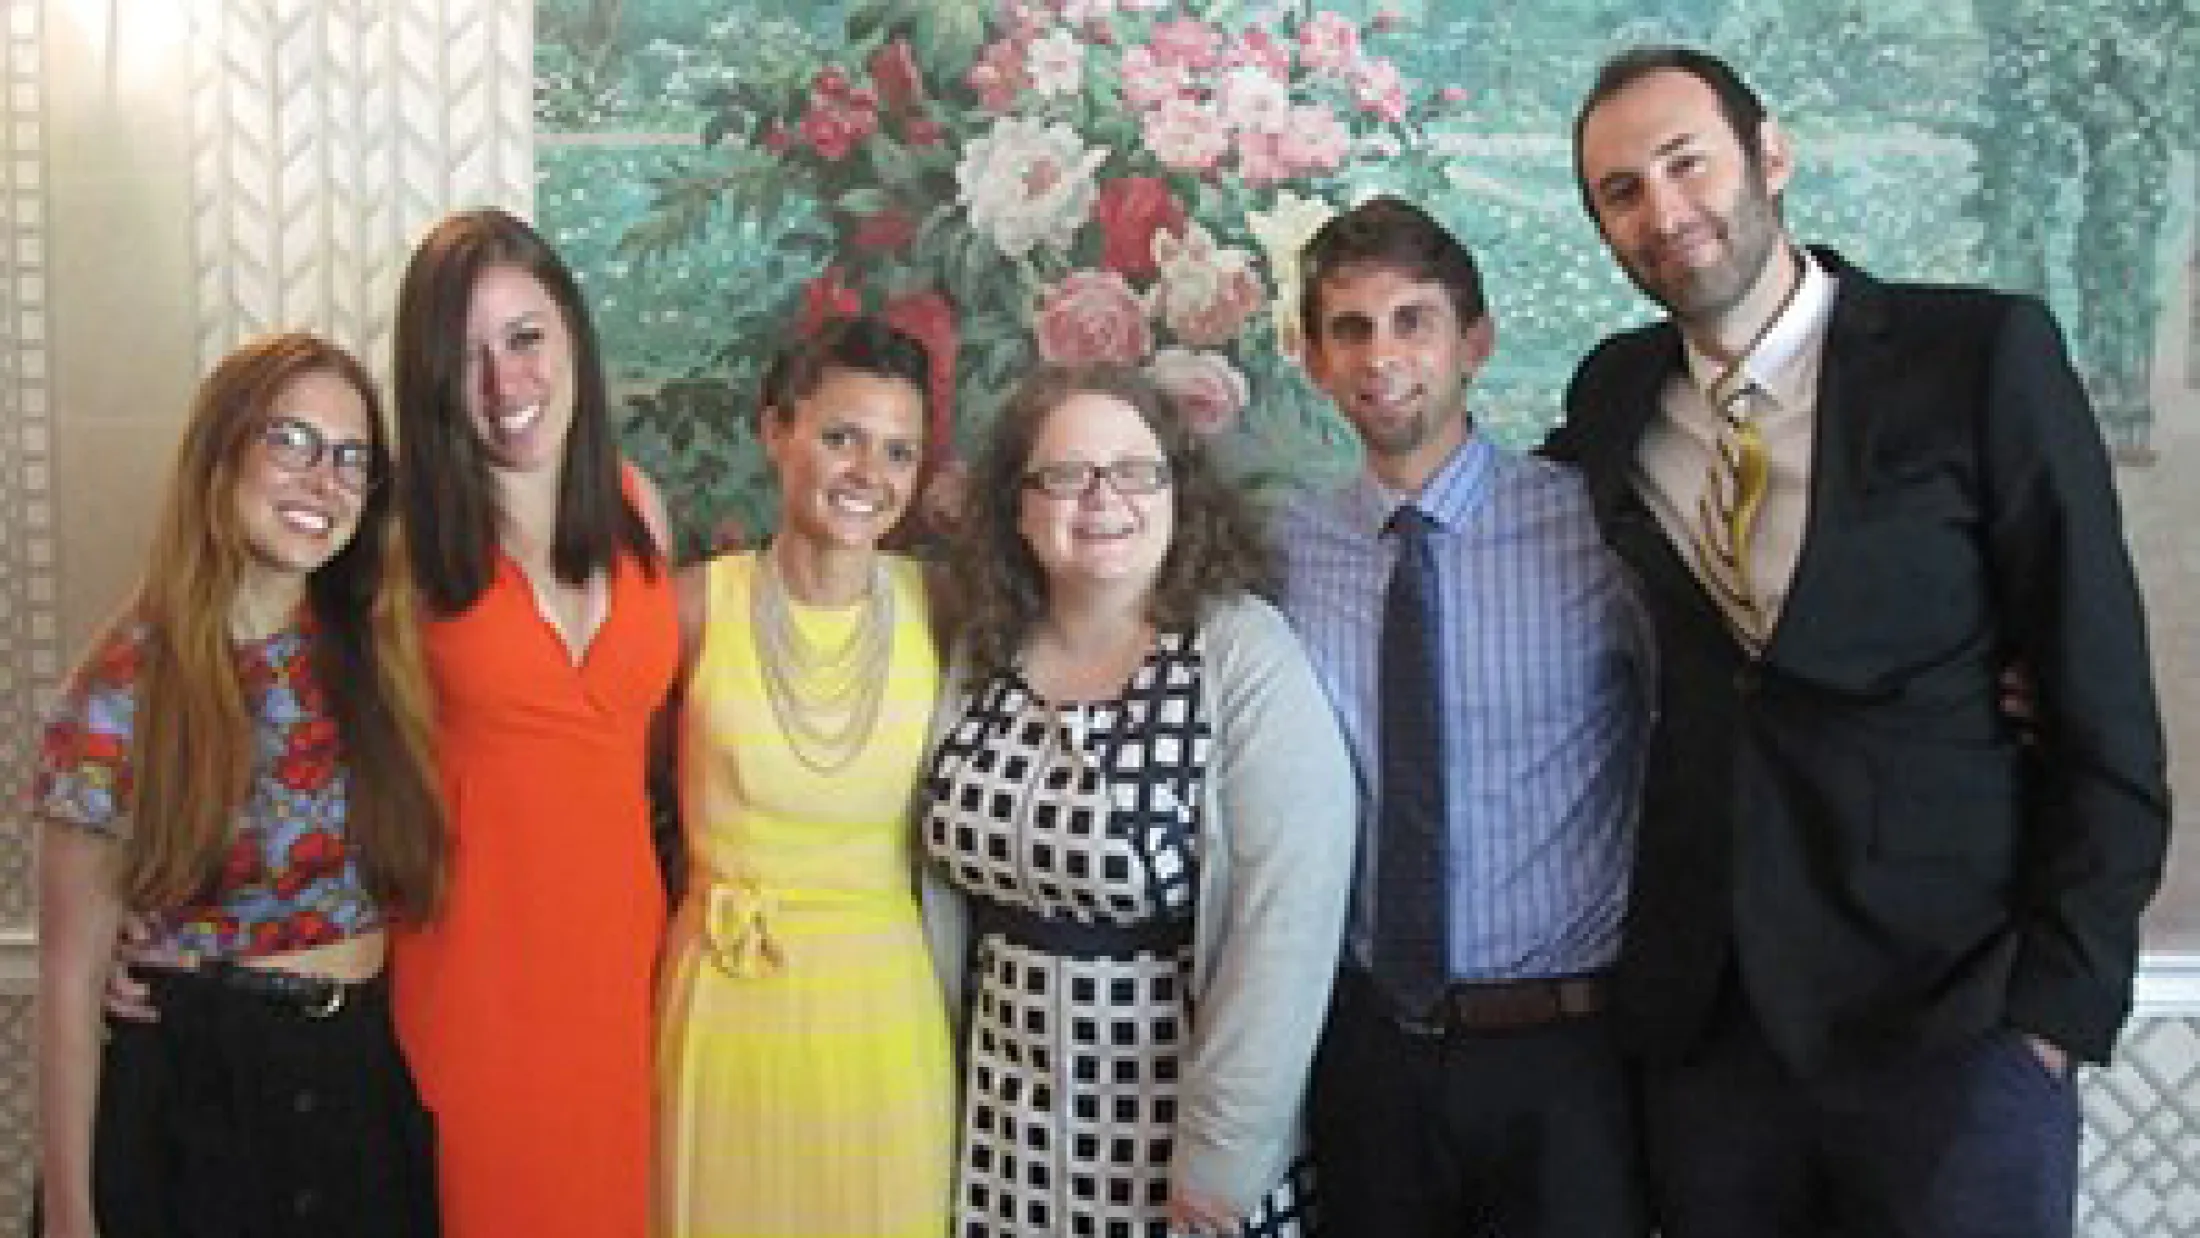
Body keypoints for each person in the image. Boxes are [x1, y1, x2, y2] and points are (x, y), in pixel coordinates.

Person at [1552, 46, 2171, 1238]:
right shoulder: (1614, 395)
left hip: (1952, 1023)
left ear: (1770, 154)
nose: (1663, 211)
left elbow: (2103, 699)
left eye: (1687, 163)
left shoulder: (1980, 356)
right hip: (1712, 1036)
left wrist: (2048, 1010)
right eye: (1620, 191)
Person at [1275, 195, 1655, 1237]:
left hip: (1565, 1053)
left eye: (1412, 320)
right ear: (1311, 356)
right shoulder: (1284, 551)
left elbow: (1725, 706)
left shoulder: (1597, 528)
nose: (1380, 355)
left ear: (1472, 343)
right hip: (1366, 1047)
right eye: (1348, 328)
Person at [918, 363, 1354, 1237]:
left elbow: (1285, 933)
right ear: (1018, 505)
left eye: (1136, 471)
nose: (1104, 500)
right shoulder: (983, 653)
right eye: (1068, 476)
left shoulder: (1241, 656)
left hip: (1180, 1142)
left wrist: (1221, 1163)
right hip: (1003, 1132)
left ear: (1177, 491)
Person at [34, 332, 445, 1238]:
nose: (322, 480)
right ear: (222, 454)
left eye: (350, 459)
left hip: (357, 1083)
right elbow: (68, 986)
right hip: (197, 1100)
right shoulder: (122, 688)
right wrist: (68, 1220)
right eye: (290, 441)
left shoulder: (374, 654)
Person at [387, 207, 678, 1238]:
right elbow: (229, 673)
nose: (506, 385)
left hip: (625, 984)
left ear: (572, 337)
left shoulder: (639, 506)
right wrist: (145, 906)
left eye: (524, 338)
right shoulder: (393, 540)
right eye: (466, 357)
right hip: (471, 988)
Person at [654, 317, 953, 1236]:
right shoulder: (694, 604)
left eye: (899, 451)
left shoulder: (942, 606)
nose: (870, 473)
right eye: (840, 438)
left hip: (886, 1009)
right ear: (776, 430)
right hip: (726, 997)